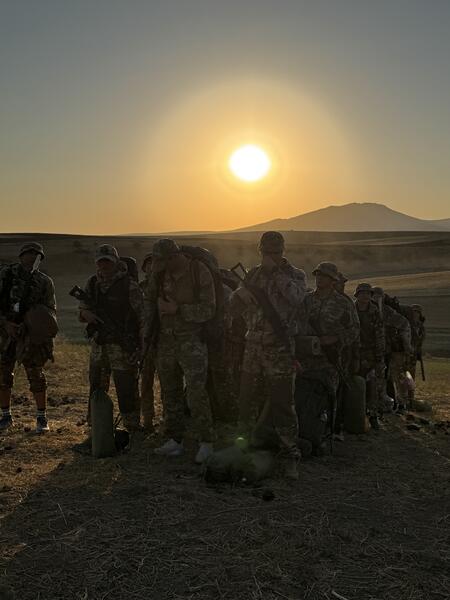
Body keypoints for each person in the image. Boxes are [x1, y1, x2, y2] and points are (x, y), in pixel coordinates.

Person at [230, 231, 307, 480]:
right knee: (246, 399)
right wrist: (238, 295)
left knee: (283, 404)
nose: (270, 256)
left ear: (283, 252)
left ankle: (290, 454)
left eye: (275, 252)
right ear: (260, 251)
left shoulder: (295, 275)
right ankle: (243, 446)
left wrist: (276, 274)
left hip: (280, 348)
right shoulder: (252, 274)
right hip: (253, 347)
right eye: (266, 252)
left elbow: (297, 298)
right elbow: (234, 307)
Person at [147, 239, 216, 464]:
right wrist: (146, 335)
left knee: (196, 393)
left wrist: (178, 310)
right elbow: (150, 303)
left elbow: (209, 310)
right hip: (165, 342)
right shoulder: (159, 274)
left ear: (174, 257)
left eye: (163, 261)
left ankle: (206, 441)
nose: (160, 266)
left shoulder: (198, 271)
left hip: (192, 342)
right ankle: (175, 439)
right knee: (170, 392)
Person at [79, 244, 144, 431]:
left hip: (122, 347)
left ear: (116, 262)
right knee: (97, 386)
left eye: (107, 261)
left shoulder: (129, 285)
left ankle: (132, 426)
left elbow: (143, 316)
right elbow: (82, 309)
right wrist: (86, 314)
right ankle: (97, 425)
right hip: (99, 345)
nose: (104, 265)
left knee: (126, 387)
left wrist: (141, 345)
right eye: (100, 262)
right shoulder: (92, 283)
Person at [296, 262, 360, 451]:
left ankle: (325, 435)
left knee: (328, 397)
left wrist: (335, 338)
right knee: (302, 395)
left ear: (333, 280)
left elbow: (355, 329)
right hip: (306, 357)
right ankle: (304, 433)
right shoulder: (306, 300)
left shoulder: (343, 303)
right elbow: (295, 323)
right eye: (318, 275)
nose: (319, 278)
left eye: (324, 276)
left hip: (329, 360)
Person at [0, 242, 57, 432]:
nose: (33, 257)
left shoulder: (44, 281)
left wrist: (31, 323)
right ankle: (5, 416)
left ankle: (41, 417)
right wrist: (6, 324)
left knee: (36, 374)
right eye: (29, 253)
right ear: (21, 255)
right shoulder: (5, 275)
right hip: (5, 333)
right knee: (3, 374)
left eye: (37, 254)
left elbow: (50, 310)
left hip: (31, 335)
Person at [371, 286, 412, 412]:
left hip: (387, 350)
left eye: (379, 296)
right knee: (379, 378)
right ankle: (381, 404)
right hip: (371, 350)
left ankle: (398, 404)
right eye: (374, 296)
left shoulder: (387, 311)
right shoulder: (367, 309)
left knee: (391, 377)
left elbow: (404, 324)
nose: (376, 298)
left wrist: (406, 345)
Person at [354, 283, 385, 429]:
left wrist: (379, 356)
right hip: (354, 353)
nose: (365, 296)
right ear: (357, 295)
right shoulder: (350, 309)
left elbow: (379, 335)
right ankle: (354, 415)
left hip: (371, 353)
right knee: (354, 384)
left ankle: (373, 415)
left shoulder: (374, 312)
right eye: (362, 293)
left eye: (368, 294)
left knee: (372, 385)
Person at [139, 253, 156, 432]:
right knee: (146, 382)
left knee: (169, 383)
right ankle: (148, 420)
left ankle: (169, 419)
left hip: (165, 340)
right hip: (145, 341)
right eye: (149, 264)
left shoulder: (167, 287)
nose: (152, 267)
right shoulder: (140, 289)